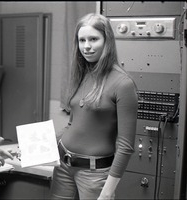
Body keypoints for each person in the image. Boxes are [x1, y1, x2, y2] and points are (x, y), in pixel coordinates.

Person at [50, 13, 138, 200]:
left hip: (95, 174)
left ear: (107, 41)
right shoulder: (81, 75)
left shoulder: (123, 83)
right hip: (63, 166)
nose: (86, 46)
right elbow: (73, 124)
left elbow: (125, 145)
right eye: (82, 40)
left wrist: (108, 191)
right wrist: (41, 144)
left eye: (93, 39)